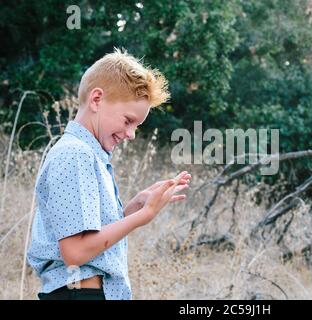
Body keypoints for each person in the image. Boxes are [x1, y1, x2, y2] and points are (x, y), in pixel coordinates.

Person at [27, 48, 191, 300]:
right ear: (96, 100)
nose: (131, 134)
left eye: (136, 126)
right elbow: (75, 252)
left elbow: (87, 237)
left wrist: (133, 208)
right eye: (128, 120)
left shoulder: (88, 154)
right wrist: (144, 216)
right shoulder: (76, 154)